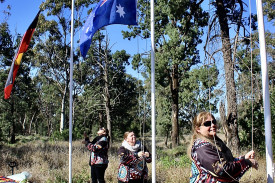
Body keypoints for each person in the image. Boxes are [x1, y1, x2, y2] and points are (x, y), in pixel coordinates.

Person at [189, 111, 258, 183]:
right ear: (198, 129)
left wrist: (244, 158)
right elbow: (223, 170)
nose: (213, 125)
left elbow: (228, 162)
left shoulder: (215, 142)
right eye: (207, 124)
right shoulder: (202, 147)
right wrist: (246, 162)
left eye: (214, 122)